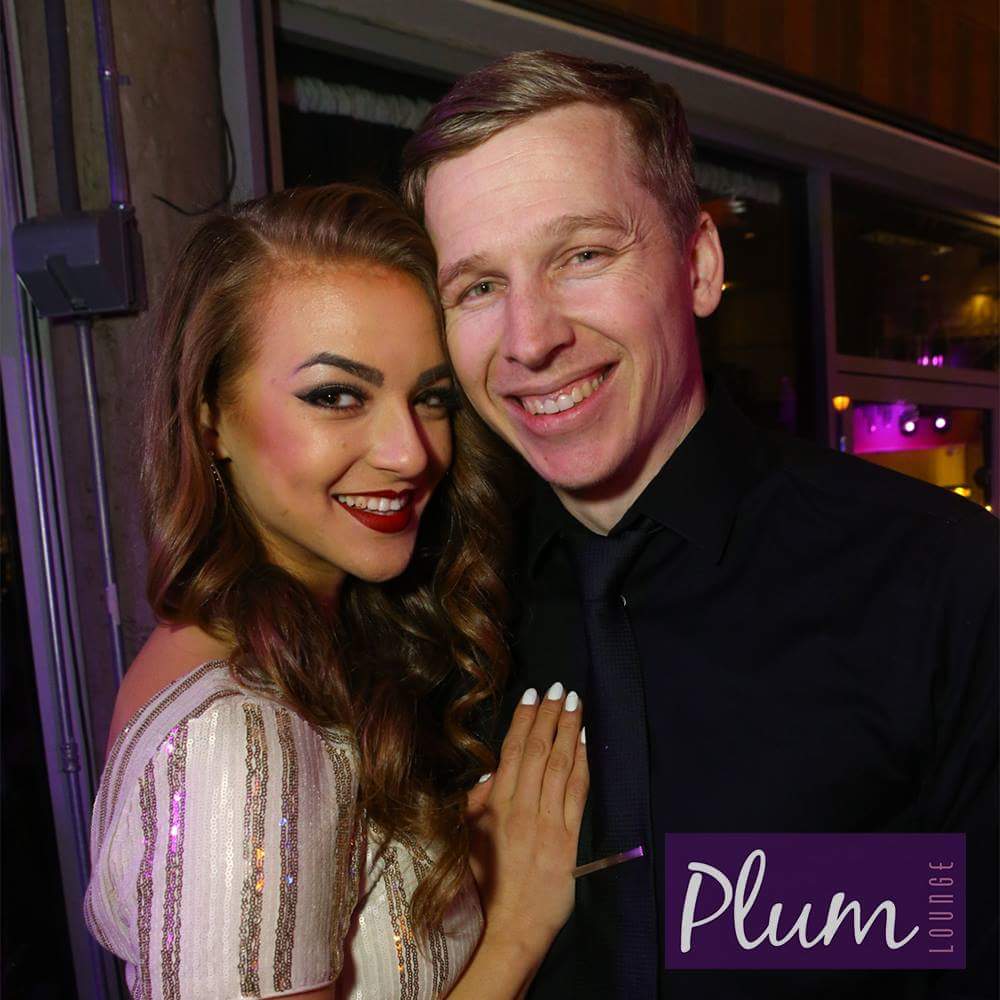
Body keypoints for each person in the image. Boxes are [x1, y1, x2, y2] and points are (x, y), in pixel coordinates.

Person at [400, 50, 998, 1000]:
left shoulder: (943, 582)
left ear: (700, 266)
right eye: (478, 286)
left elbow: (953, 932)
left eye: (582, 255)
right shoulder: (436, 614)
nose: (529, 338)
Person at [84, 184, 589, 999]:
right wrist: (517, 926)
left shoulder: (276, 645)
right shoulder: (239, 745)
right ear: (210, 416)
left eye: (430, 398)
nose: (410, 453)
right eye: (336, 396)